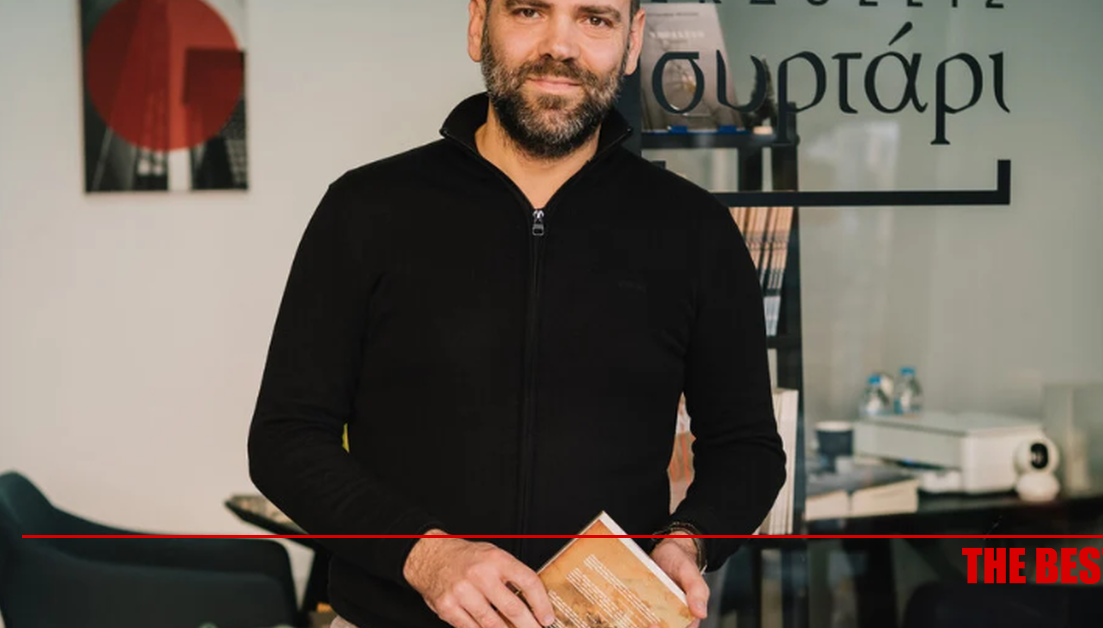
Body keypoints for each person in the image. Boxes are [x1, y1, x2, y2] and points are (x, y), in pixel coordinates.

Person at [247, 1, 787, 628]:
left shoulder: (695, 230)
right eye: (530, 10)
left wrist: (687, 541)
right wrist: (426, 557)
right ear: (479, 24)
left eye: (595, 19)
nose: (560, 45)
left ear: (633, 41)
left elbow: (747, 447)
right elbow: (285, 439)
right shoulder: (365, 210)